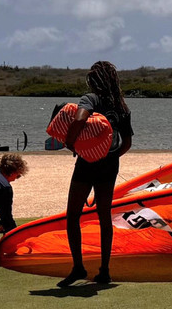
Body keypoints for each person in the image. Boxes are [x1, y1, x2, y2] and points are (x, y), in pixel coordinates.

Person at [57, 60, 133, 287]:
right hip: (109, 165)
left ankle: (79, 267)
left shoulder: (91, 99)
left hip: (87, 164)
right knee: (104, 216)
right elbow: (127, 143)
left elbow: (80, 119)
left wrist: (70, 143)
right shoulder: (122, 107)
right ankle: (104, 271)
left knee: (73, 216)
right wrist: (108, 157)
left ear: (93, 80)